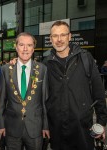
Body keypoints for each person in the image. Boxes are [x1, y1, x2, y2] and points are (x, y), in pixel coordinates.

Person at [44, 20, 107, 150]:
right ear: (50, 39)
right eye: (55, 36)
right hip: (57, 131)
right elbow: (42, 99)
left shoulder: (85, 58)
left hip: (82, 129)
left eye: (63, 35)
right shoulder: (46, 64)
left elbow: (98, 93)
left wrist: (101, 123)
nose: (59, 39)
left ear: (70, 36)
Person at [0, 32, 50, 150]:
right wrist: (0, 124)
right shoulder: (5, 70)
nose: (25, 49)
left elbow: (44, 100)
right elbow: (1, 99)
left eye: (29, 45)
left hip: (35, 128)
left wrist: (45, 126)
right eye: (21, 45)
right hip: (12, 127)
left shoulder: (42, 69)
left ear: (33, 48)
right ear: (16, 47)